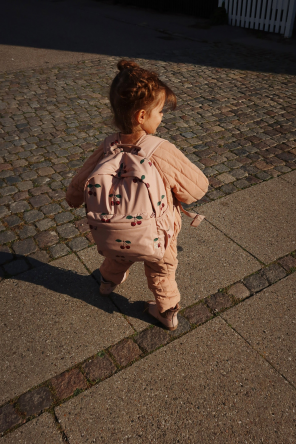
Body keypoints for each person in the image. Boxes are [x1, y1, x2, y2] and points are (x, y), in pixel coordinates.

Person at [66, 60, 209, 331]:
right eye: (159, 111)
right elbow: (196, 188)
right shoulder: (159, 149)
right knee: (162, 269)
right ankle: (167, 312)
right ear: (141, 116)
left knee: (118, 256)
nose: (162, 117)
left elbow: (81, 181)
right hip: (159, 232)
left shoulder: (107, 146)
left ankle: (107, 283)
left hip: (115, 228)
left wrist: (73, 198)